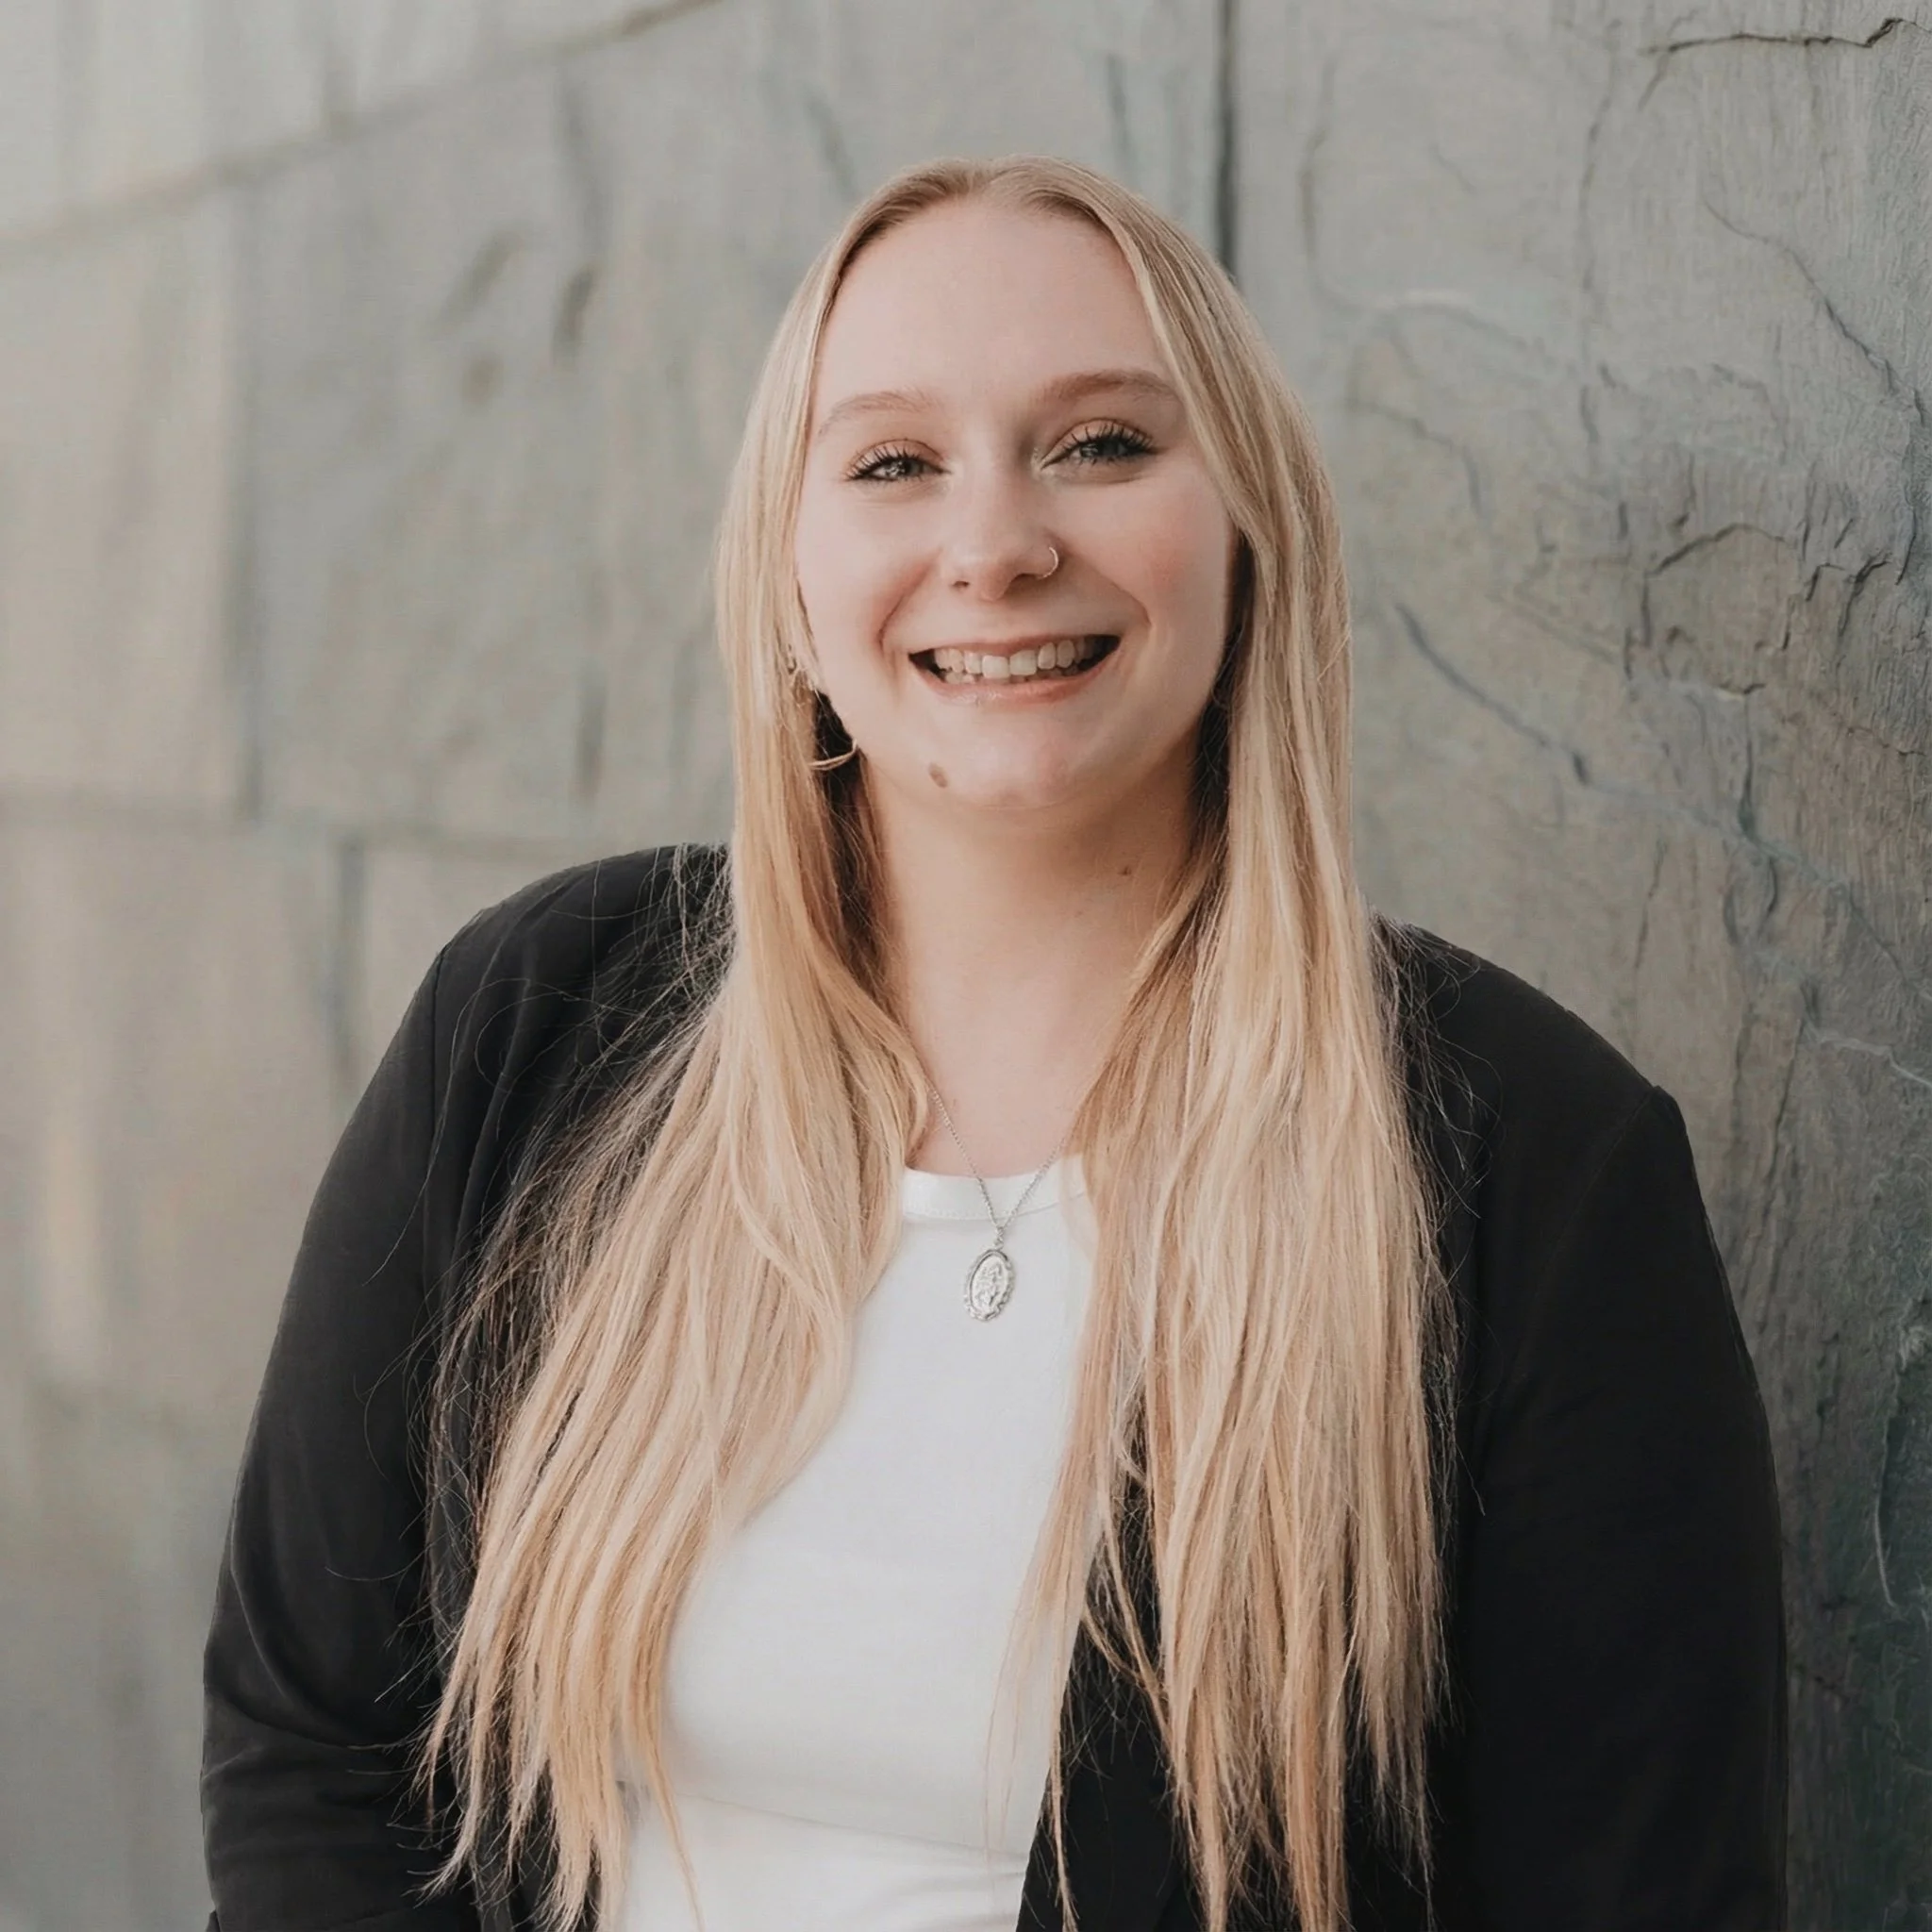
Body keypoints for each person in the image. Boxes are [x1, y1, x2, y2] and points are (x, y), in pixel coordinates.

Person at [200, 156, 1786, 1932]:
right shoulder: (537, 1024)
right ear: (791, 583)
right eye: (892, 462)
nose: (997, 543)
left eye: (1103, 444)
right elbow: (310, 1746)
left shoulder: (1526, 1168)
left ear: (1248, 526)